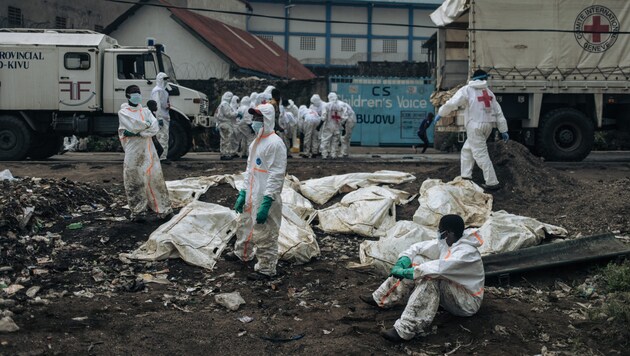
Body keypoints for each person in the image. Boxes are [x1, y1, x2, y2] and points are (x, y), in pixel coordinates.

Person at [360, 214, 484, 342]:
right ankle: (381, 298)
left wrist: (407, 272)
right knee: (418, 260)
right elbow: (419, 247)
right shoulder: (451, 242)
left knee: (430, 278)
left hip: (467, 301)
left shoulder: (465, 253)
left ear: (448, 233)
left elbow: (438, 268)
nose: (438, 233)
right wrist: (404, 259)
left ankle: (405, 329)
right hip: (454, 290)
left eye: (440, 230)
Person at [232, 103, 287, 280]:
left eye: (259, 118)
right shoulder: (257, 141)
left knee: (266, 233)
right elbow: (250, 169)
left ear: (268, 119)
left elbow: (276, 175)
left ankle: (266, 268)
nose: (255, 121)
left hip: (265, 195)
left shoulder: (275, 143)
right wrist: (243, 192)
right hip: (252, 192)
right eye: (254, 118)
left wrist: (267, 200)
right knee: (245, 223)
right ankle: (243, 253)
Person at [435, 69, 509, 190]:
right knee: (467, 149)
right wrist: (503, 130)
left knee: (481, 155)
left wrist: (441, 113)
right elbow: (498, 112)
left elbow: (452, 103)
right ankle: (466, 176)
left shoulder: (467, 90)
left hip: (475, 126)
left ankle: (492, 182)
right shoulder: (489, 93)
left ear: (473, 78)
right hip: (488, 126)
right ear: (484, 79)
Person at [117, 85, 173, 222]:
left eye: (138, 92)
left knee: (155, 178)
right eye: (133, 93)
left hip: (148, 148)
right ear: (128, 95)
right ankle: (138, 212)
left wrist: (141, 131)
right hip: (133, 150)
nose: (137, 95)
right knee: (134, 179)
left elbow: (153, 128)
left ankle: (163, 210)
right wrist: (144, 127)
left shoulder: (146, 111)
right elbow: (134, 125)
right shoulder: (123, 112)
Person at [150, 72, 171, 161]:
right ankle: (161, 157)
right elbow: (156, 105)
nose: (166, 81)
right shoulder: (157, 90)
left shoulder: (163, 90)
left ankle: (162, 156)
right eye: (164, 79)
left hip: (165, 116)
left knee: (164, 137)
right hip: (161, 117)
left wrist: (167, 105)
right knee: (161, 137)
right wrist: (159, 119)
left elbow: (162, 103)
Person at [319, 92, 345, 159]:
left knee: (325, 140)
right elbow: (342, 118)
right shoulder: (340, 106)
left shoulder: (326, 105)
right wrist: (343, 127)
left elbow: (323, 117)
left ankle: (324, 154)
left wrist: (319, 126)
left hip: (328, 125)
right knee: (335, 141)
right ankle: (333, 154)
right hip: (337, 126)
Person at [216, 91, 239, 160]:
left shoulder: (221, 104)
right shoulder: (225, 104)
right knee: (227, 139)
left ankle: (223, 153)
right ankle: (226, 154)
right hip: (225, 124)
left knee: (223, 140)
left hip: (222, 123)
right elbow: (228, 114)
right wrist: (236, 114)